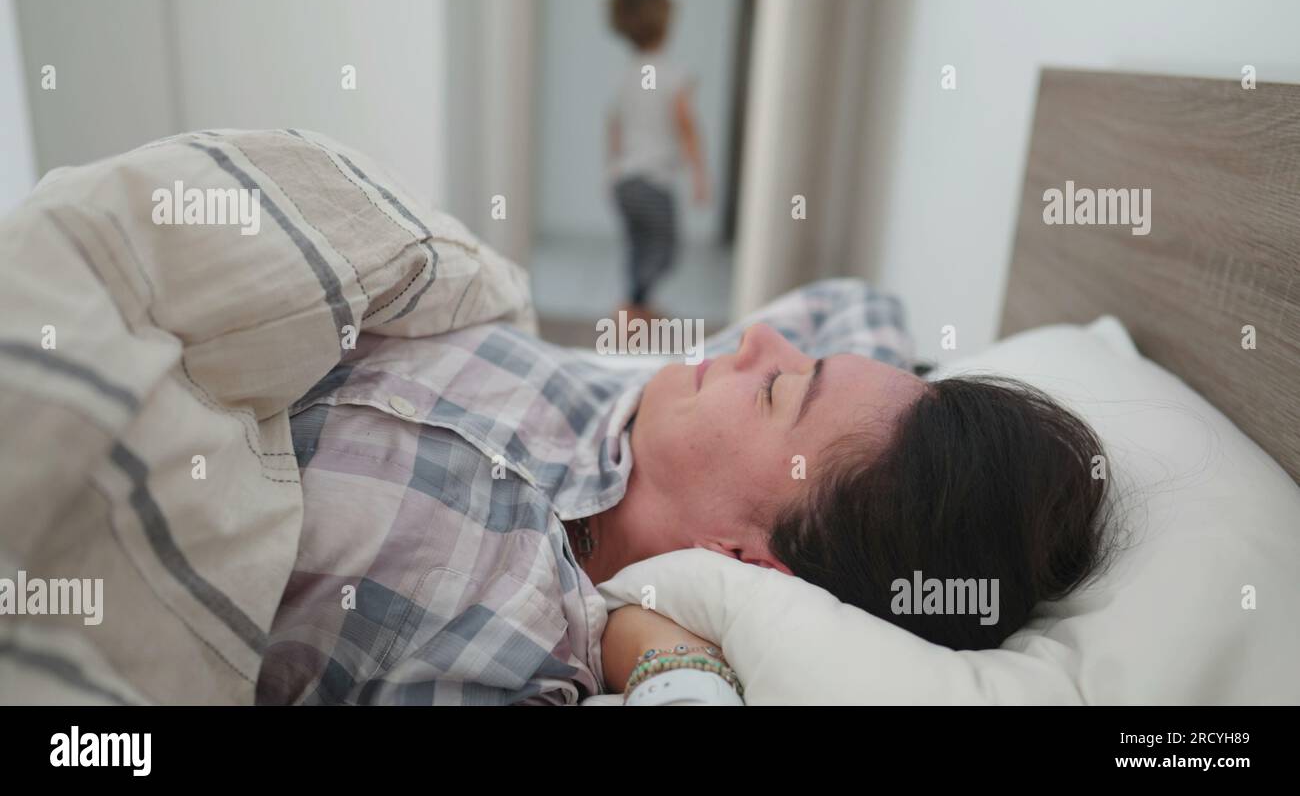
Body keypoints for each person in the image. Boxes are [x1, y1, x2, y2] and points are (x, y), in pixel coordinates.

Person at [255, 279, 1113, 706]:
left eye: (779, 390)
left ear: (751, 561)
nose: (760, 340)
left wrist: (666, 649)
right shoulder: (646, 404)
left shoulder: (515, 655)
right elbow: (857, 301)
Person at [605, 0, 709, 322]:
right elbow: (687, 127)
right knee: (665, 250)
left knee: (638, 246)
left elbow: (615, 128)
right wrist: (699, 175)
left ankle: (639, 306)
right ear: (665, 25)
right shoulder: (673, 74)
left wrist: (613, 171)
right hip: (653, 181)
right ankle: (633, 307)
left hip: (624, 180)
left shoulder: (625, 76)